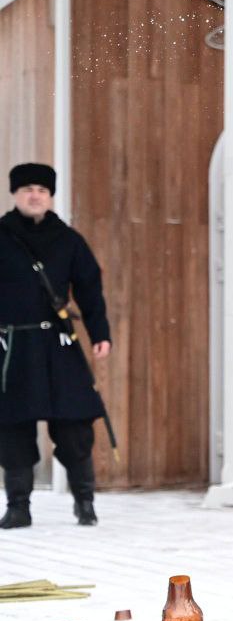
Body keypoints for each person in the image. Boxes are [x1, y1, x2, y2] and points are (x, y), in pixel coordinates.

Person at [1, 164, 111, 529]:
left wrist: (100, 334)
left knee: (75, 425)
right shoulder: (2, 236)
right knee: (12, 427)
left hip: (58, 343)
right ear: (15, 194)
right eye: (28, 189)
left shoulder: (68, 240)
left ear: (50, 196)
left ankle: (85, 502)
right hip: (12, 346)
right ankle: (18, 506)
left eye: (42, 190)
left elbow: (90, 289)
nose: (35, 196)